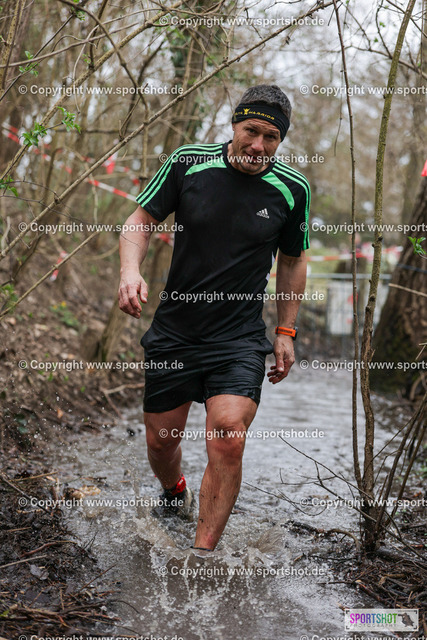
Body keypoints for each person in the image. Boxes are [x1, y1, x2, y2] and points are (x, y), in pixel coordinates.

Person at [118, 84, 310, 552]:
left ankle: (201, 555)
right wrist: (129, 272)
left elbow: (292, 259)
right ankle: (174, 490)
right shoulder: (188, 162)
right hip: (176, 331)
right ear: (235, 125)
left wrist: (286, 331)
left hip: (238, 338)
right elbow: (141, 220)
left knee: (227, 434)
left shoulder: (293, 189)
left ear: (281, 140)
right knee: (161, 441)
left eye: (270, 137)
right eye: (251, 131)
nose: (258, 145)